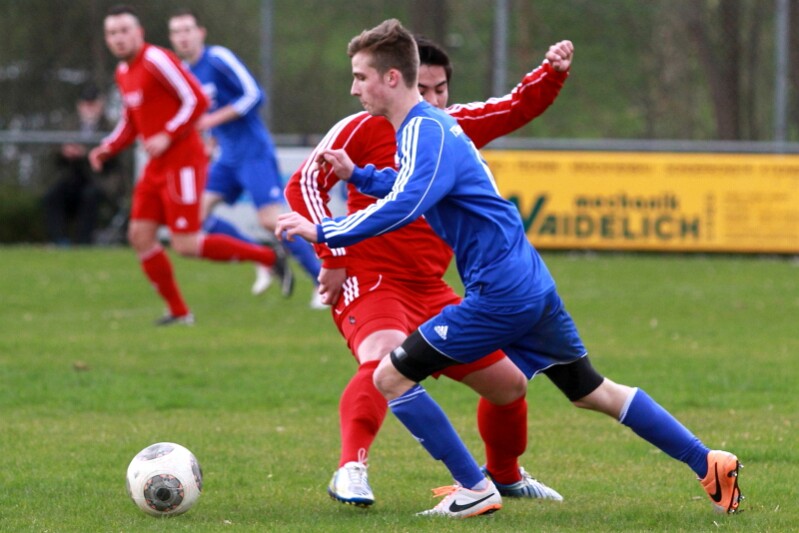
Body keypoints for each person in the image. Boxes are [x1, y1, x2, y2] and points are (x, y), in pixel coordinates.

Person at [276, 19, 743, 518]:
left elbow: (407, 204)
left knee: (391, 376)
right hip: (530, 282)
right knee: (592, 390)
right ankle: (708, 461)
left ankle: (475, 489)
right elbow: (413, 184)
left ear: (392, 78)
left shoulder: (424, 128)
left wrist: (324, 232)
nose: (354, 88)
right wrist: (360, 175)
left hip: (499, 292)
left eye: (360, 76)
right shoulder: (431, 127)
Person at [284, 36, 573, 508]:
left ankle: (504, 476)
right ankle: (351, 469)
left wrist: (552, 72)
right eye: (424, 88)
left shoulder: (449, 127)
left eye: (441, 89)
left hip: (432, 287)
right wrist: (333, 257)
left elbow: (516, 107)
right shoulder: (359, 127)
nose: (434, 99)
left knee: (509, 385)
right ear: (400, 80)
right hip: (372, 277)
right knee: (383, 358)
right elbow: (304, 185)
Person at [89, 4, 290, 326]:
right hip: (156, 165)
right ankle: (179, 312)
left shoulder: (156, 59)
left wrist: (168, 134)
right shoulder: (123, 72)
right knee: (139, 235)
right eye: (112, 33)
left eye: (124, 30)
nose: (118, 38)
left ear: (139, 32)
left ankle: (267, 256)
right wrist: (107, 148)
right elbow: (131, 120)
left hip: (183, 162)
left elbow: (197, 99)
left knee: (185, 244)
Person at [168, 9, 324, 306]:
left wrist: (211, 122)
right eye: (176, 32)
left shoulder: (218, 58)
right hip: (227, 158)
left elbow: (254, 95)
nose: (183, 37)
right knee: (196, 216)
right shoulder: (185, 73)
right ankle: (263, 257)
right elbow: (206, 113)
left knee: (270, 220)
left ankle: (321, 282)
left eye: (187, 30)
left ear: (201, 33)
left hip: (253, 152)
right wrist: (210, 140)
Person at [43, 83, 109, 246]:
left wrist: (85, 153)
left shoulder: (109, 126)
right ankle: (60, 242)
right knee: (52, 196)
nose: (89, 108)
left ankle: (82, 244)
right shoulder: (70, 124)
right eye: (86, 103)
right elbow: (54, 151)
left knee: (90, 197)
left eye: (93, 103)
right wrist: (64, 151)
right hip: (72, 177)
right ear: (79, 105)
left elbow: (113, 154)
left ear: (100, 105)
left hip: (98, 179)